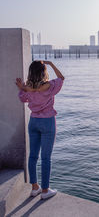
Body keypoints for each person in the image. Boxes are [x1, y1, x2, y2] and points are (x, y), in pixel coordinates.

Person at [15, 60, 64, 200]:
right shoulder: (50, 87)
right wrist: (51, 64)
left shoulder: (27, 88)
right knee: (46, 158)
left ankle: (34, 187)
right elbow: (61, 78)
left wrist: (21, 88)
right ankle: (45, 190)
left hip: (34, 122)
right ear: (44, 72)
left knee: (33, 156)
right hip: (47, 122)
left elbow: (22, 98)